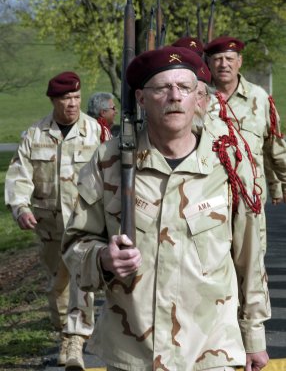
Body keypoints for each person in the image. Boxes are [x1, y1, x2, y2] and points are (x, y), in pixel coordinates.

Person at [62, 46, 270, 371]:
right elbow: (74, 245)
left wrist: (254, 336)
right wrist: (102, 259)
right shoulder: (108, 162)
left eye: (184, 88)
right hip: (132, 352)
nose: (175, 96)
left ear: (198, 98)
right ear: (142, 99)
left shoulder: (230, 162)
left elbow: (250, 257)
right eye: (162, 88)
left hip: (211, 351)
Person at [5, 71, 103, 370]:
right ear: (53, 100)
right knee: (57, 283)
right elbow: (19, 176)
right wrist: (20, 208)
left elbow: (109, 174)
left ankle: (75, 339)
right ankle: (65, 333)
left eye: (76, 97)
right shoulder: (35, 135)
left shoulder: (95, 131)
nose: (72, 104)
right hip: (48, 226)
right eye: (65, 98)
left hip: (85, 224)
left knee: (80, 279)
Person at [204, 36, 286, 252]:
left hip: (251, 199)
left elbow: (275, 149)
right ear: (209, 63)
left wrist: (281, 184)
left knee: (253, 270)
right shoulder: (198, 99)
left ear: (239, 61)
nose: (224, 64)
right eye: (218, 59)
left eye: (229, 58)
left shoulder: (259, 98)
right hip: (209, 200)